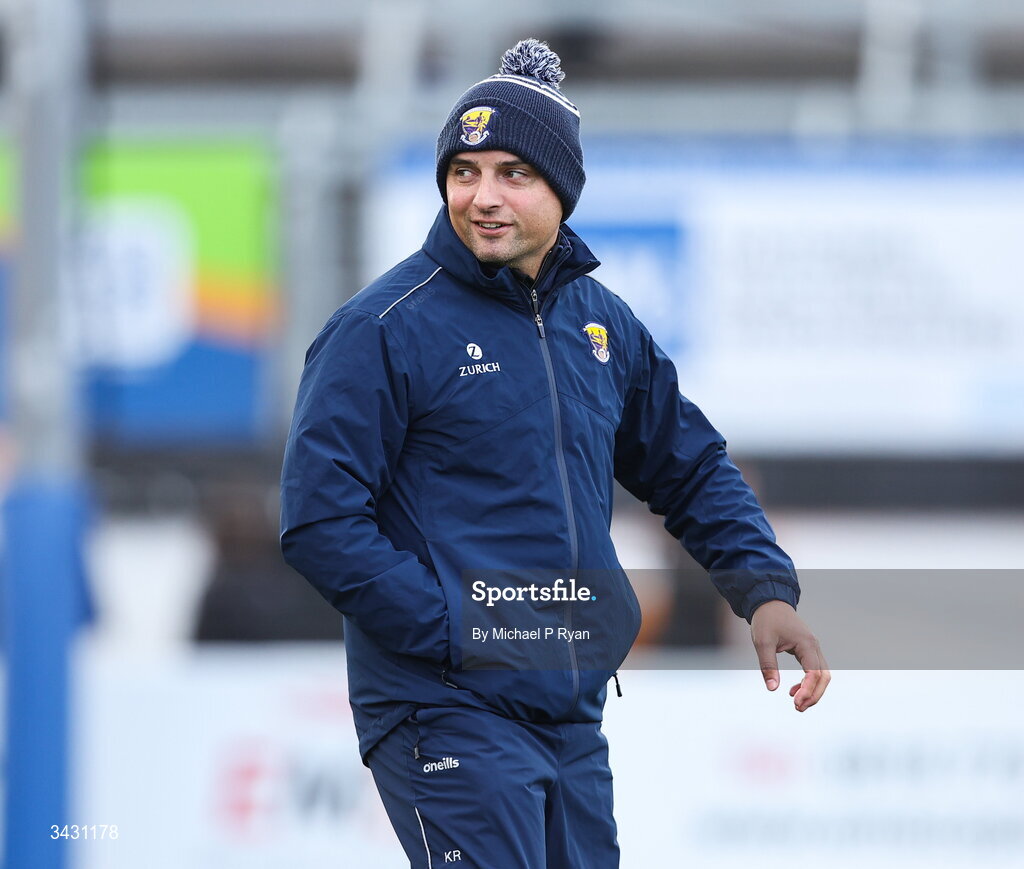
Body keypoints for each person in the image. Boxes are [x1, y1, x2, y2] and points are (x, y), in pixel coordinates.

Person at [281, 38, 829, 869]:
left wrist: (763, 590)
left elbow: (691, 466)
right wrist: (459, 628)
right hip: (445, 709)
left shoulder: (600, 322)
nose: (484, 196)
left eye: (514, 173)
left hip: (569, 714)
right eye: (464, 172)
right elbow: (319, 521)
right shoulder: (380, 328)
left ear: (562, 191)